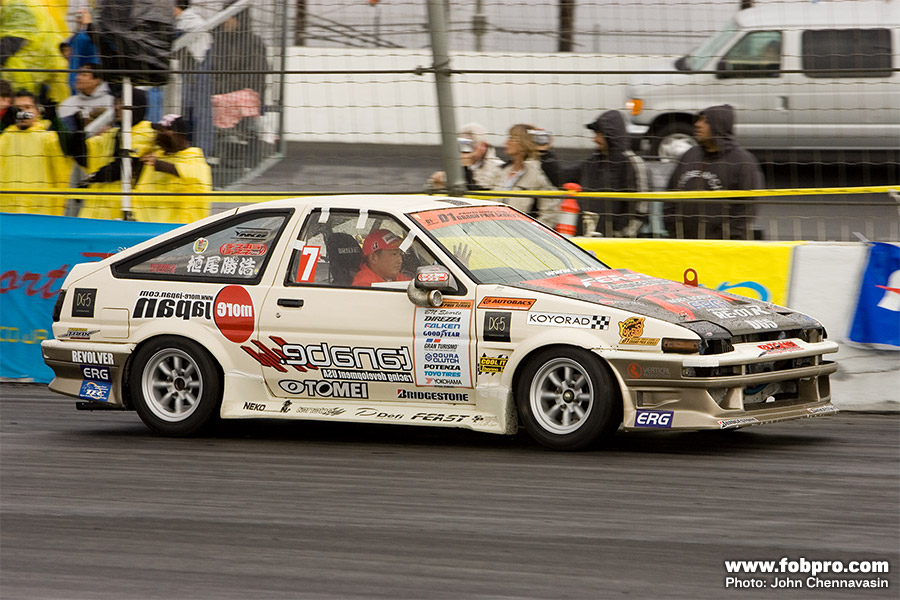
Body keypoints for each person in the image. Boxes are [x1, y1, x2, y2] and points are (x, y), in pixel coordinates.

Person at [665, 104, 765, 240]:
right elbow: (670, 196)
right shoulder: (690, 155)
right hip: (683, 244)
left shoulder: (743, 162)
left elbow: (746, 209)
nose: (697, 125)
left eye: (705, 121)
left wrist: (725, 240)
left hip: (720, 247)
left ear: (718, 125)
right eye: (699, 120)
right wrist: (673, 232)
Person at [558, 110, 651, 236]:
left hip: (615, 243)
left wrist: (618, 237)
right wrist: (544, 155)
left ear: (611, 136)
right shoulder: (592, 161)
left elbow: (641, 208)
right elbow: (561, 177)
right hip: (585, 239)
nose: (594, 139)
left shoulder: (633, 164)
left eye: (599, 135)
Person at [78, 88, 156, 220]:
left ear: (135, 107)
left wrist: (93, 177)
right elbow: (82, 154)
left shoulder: (147, 132)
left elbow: (124, 166)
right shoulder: (114, 133)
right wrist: (78, 126)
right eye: (116, 103)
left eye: (122, 103)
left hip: (129, 208)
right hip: (103, 208)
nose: (116, 108)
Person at [0, 90, 72, 215]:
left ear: (37, 111)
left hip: (41, 208)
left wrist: (55, 120)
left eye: (27, 107)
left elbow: (70, 146)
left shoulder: (49, 137)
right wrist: (2, 124)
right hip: (7, 208)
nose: (22, 113)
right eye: (18, 109)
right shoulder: (4, 137)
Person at [132, 114, 212, 224]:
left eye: (166, 130)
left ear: (179, 135)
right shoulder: (156, 155)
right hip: (150, 223)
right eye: (160, 130)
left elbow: (194, 175)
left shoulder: (193, 156)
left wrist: (160, 165)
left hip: (180, 224)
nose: (161, 133)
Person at [57, 63, 114, 215]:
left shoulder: (111, 102)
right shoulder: (67, 104)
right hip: (74, 159)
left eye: (84, 74)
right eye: (78, 74)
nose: (78, 77)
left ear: (97, 80)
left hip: (99, 159)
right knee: (72, 200)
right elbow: (64, 133)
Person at [487, 123, 558, 227]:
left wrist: (532, 232)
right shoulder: (501, 171)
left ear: (523, 143)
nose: (506, 142)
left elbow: (550, 213)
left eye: (512, 139)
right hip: (496, 230)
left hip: (523, 233)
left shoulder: (537, 174)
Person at [174, 0, 215, 160]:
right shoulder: (183, 21)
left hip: (199, 68)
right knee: (189, 111)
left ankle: (202, 153)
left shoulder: (191, 21)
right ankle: (191, 150)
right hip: (190, 70)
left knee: (200, 112)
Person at [427, 122, 504, 192]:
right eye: (461, 144)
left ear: (483, 146)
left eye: (470, 144)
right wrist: (438, 185)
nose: (465, 149)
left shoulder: (499, 168)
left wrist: (465, 166)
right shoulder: (454, 165)